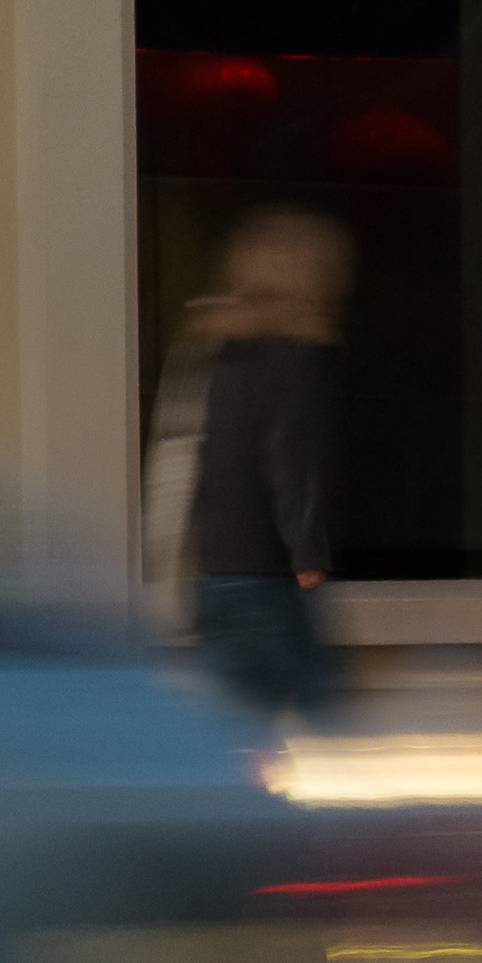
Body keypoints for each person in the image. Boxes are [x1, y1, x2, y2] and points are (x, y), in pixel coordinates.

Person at [179, 208, 346, 726]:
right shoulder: (293, 357)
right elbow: (288, 458)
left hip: (213, 572)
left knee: (238, 717)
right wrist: (308, 551)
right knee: (321, 710)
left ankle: (238, 801)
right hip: (265, 571)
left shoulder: (222, 355)